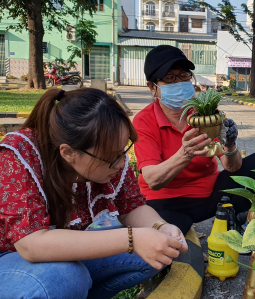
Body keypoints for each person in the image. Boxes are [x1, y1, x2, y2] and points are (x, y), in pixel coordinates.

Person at [0, 88, 188, 299]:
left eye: (124, 150)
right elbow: (30, 245)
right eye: (112, 157)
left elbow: (132, 206)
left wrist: (160, 227)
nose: (122, 163)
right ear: (68, 153)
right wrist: (132, 238)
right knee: (64, 278)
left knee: (155, 253)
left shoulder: (109, 155)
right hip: (10, 256)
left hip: (60, 248)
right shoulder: (19, 154)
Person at [133, 45, 255, 235]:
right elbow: (153, 180)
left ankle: (235, 217)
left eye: (184, 76)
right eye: (169, 78)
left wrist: (229, 145)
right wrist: (185, 153)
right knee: (167, 239)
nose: (179, 82)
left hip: (209, 197)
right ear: (152, 87)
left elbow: (232, 167)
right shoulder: (144, 121)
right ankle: (183, 224)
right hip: (165, 203)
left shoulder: (205, 115)